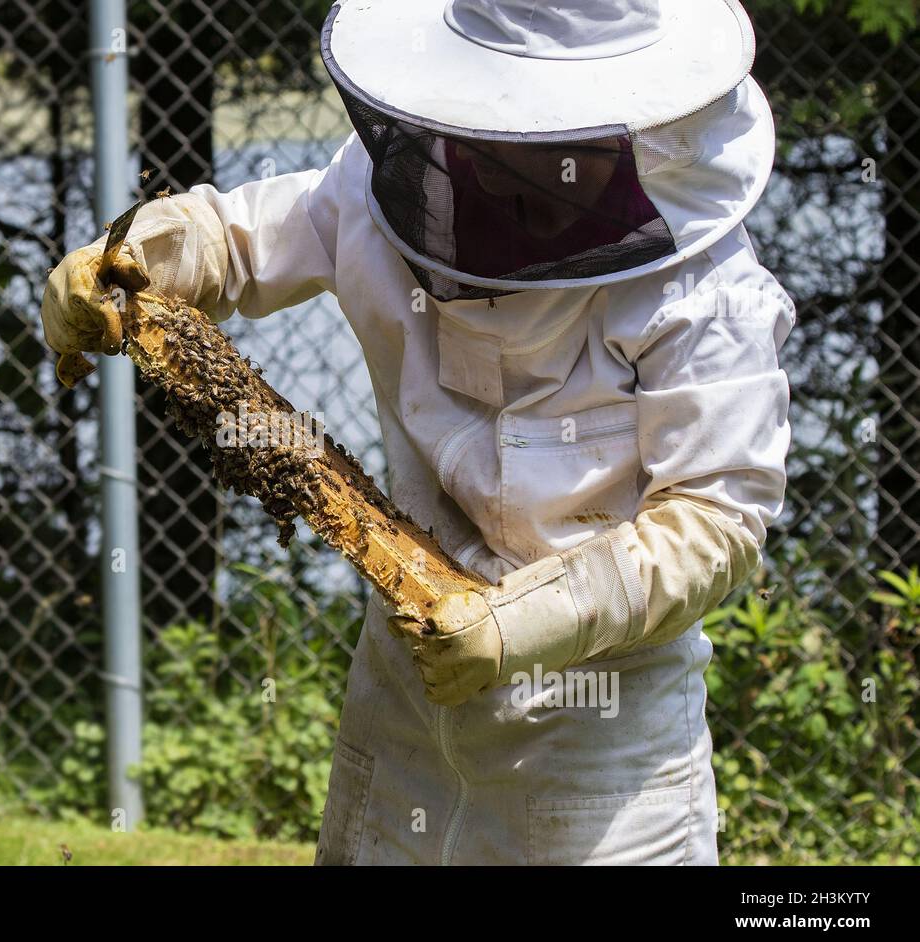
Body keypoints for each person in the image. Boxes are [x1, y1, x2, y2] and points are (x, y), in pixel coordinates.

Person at [41, 0, 794, 865]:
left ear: (628, 129)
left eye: (565, 146)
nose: (532, 171)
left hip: (602, 745)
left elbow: (714, 522)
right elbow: (240, 239)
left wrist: (519, 625)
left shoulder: (707, 292)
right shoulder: (389, 189)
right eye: (505, 136)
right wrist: (131, 256)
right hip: (406, 699)